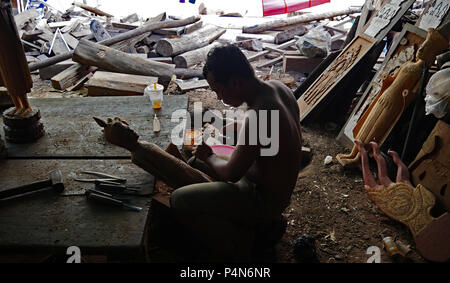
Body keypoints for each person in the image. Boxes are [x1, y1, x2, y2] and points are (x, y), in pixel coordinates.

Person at [170, 45, 303, 261]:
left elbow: (231, 173)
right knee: (195, 162)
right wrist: (238, 127)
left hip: (263, 200)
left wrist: (210, 155)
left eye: (218, 91)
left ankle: (244, 246)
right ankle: (262, 227)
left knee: (179, 200)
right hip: (274, 187)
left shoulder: (257, 116)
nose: (218, 97)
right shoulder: (279, 88)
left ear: (235, 82)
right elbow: (275, 136)